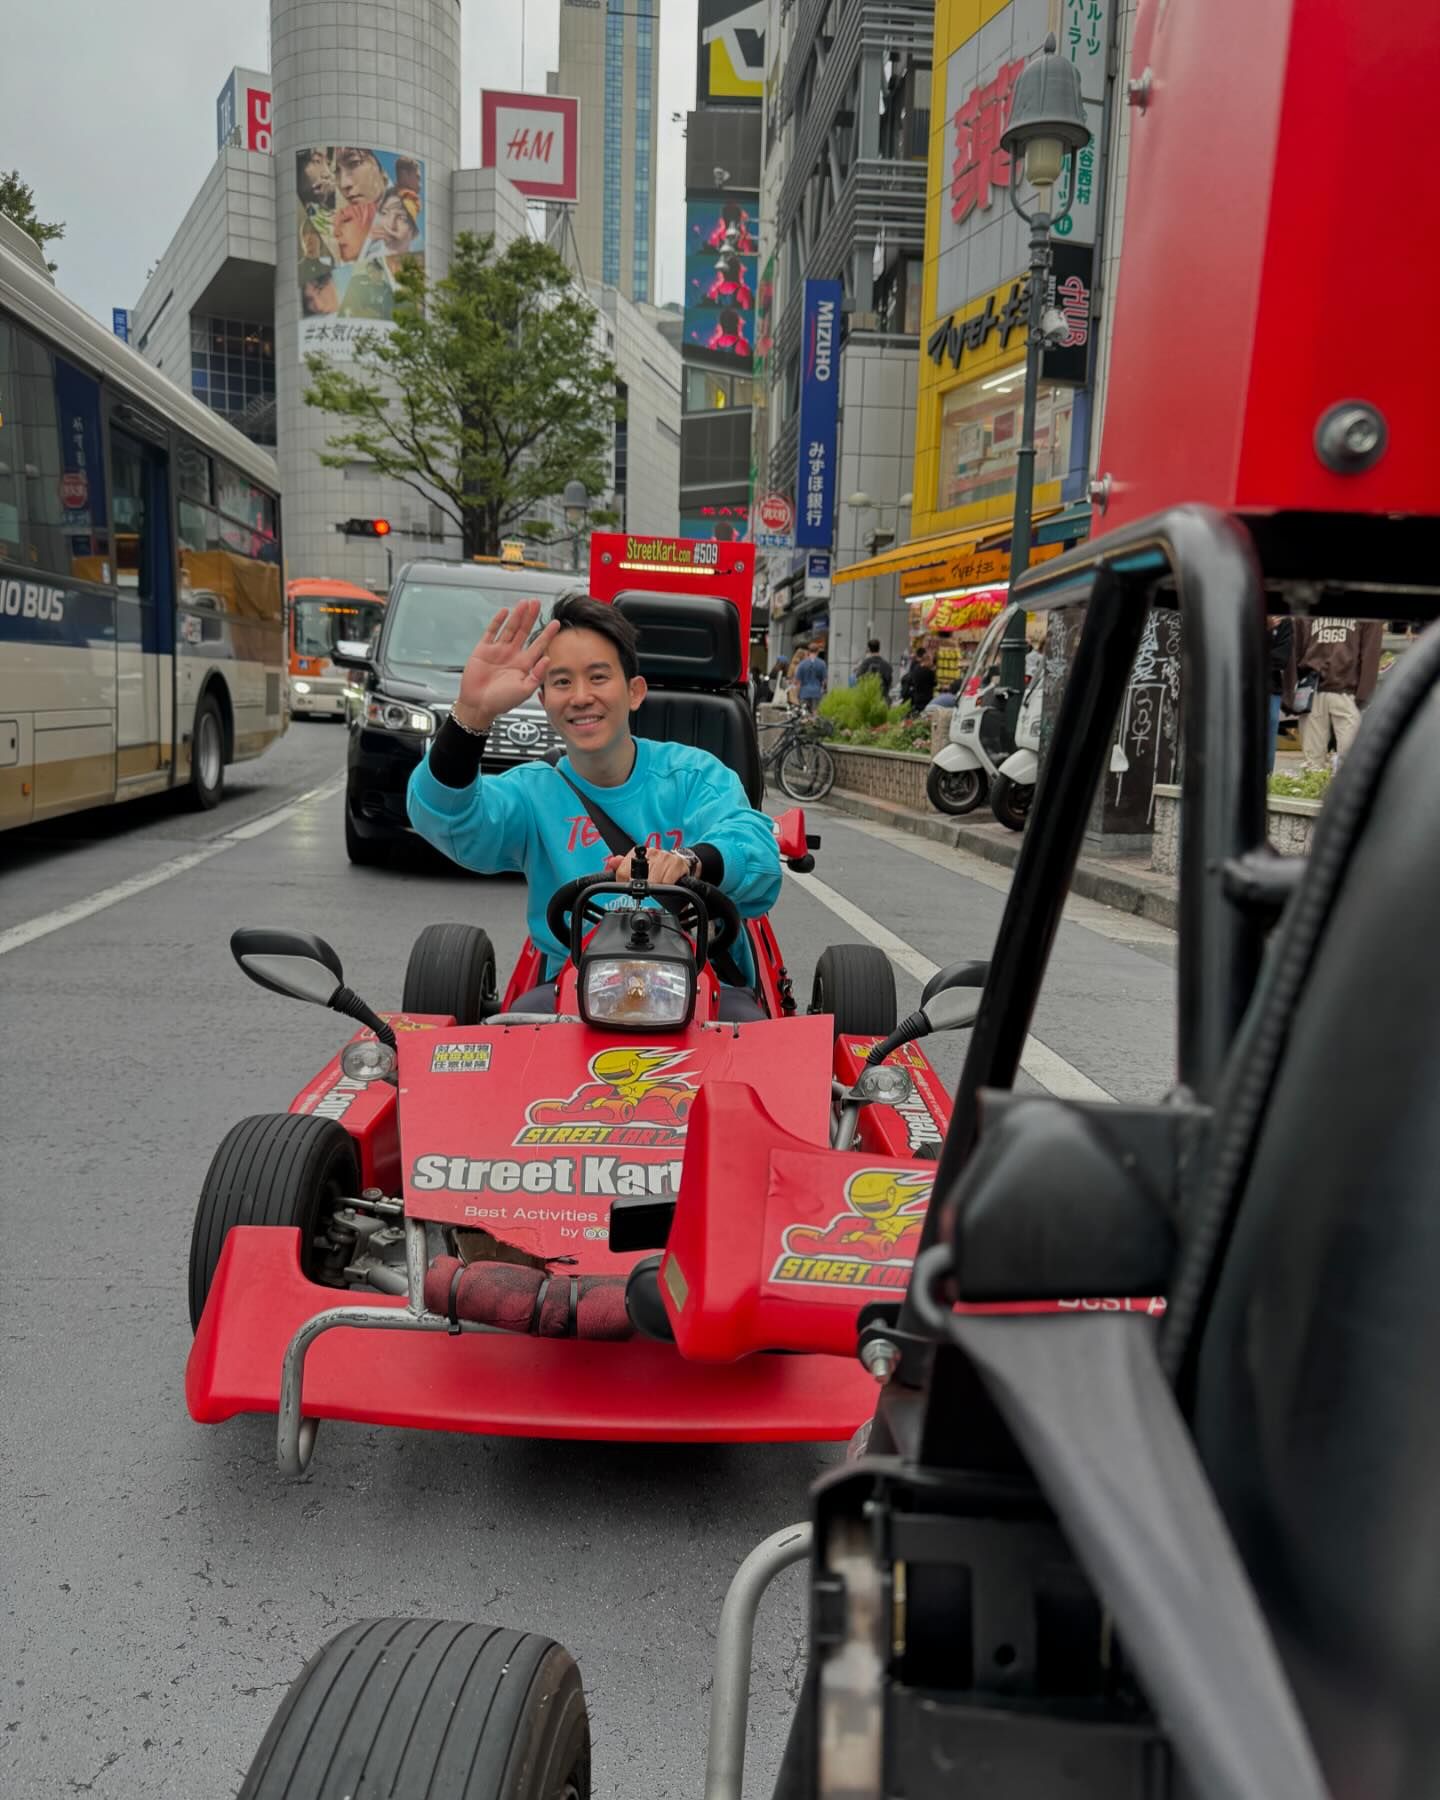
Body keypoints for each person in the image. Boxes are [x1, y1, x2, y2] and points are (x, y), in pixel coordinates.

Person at [407, 594, 781, 1022]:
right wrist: (470, 716)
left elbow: (755, 852)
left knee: (755, 1040)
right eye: (563, 682)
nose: (581, 697)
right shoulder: (532, 792)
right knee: (511, 1035)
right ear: (544, 698)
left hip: (704, 984)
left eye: (598, 677)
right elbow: (446, 819)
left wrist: (688, 862)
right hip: (574, 990)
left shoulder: (694, 775)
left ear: (634, 691)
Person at [1292, 615, 1382, 772]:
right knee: (1313, 759)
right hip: (1312, 688)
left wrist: (1364, 694)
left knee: (1350, 757)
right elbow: (1296, 648)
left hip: (1347, 691)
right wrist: (1292, 688)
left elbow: (1370, 652)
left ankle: (1342, 793)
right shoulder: (1309, 603)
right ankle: (1314, 790)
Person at [1266, 615, 1293, 772]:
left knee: (1268, 742)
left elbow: (1281, 658)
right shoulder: (1245, 615)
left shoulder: (1284, 621)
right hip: (1242, 689)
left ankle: (1267, 779)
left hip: (1271, 690)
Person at [794, 640, 828, 712]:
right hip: (816, 692)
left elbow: (798, 682)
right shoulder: (822, 664)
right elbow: (824, 681)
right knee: (815, 712)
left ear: (808, 651)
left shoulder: (802, 664)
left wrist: (796, 694)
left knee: (805, 713)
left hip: (804, 692)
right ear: (818, 651)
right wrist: (823, 689)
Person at [901, 648, 936, 713]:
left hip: (916, 697)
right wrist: (933, 670)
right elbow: (934, 683)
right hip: (926, 700)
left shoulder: (916, 668)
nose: (932, 663)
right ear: (927, 660)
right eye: (931, 661)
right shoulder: (929, 672)